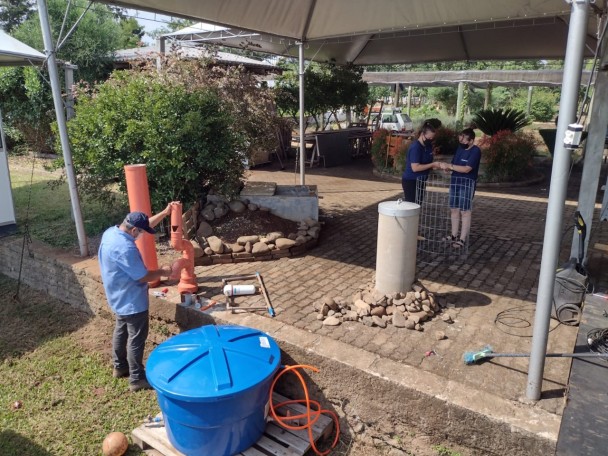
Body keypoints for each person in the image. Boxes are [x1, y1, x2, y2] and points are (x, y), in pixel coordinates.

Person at [98, 205, 174, 392]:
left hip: (116, 296)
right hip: (132, 300)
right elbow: (142, 276)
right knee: (136, 338)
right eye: (140, 232)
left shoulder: (111, 233)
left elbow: (144, 224)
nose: (141, 235)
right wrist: (163, 272)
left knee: (121, 329)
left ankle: (119, 366)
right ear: (134, 230)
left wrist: (165, 213)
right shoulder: (125, 248)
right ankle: (137, 379)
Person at [442, 128, 482, 248]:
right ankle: (453, 235)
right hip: (455, 182)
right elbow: (454, 165)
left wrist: (451, 166)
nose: (461, 141)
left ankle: (462, 239)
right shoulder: (459, 149)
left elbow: (467, 169)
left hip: (467, 184)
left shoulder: (476, 151)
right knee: (454, 209)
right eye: (460, 138)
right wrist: (446, 168)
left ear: (471, 141)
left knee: (465, 211)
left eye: (464, 140)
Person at [402, 121, 440, 204]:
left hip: (422, 180)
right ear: (422, 134)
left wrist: (437, 166)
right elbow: (415, 168)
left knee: (418, 204)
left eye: (432, 138)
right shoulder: (416, 147)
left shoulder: (428, 146)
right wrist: (432, 164)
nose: (430, 140)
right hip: (411, 180)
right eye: (429, 138)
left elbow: (428, 163)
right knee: (412, 206)